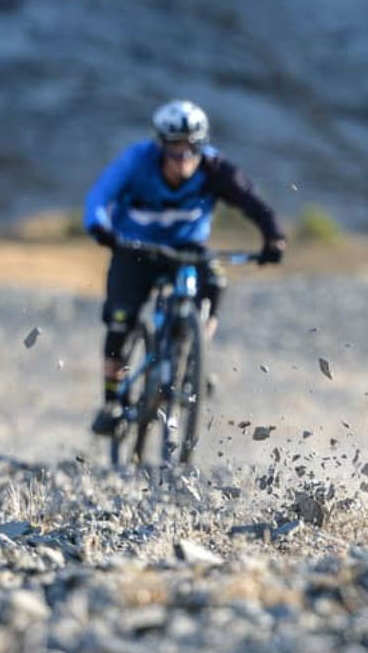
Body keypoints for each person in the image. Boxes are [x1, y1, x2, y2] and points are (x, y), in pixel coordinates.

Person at [83, 99, 287, 435]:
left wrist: (274, 238)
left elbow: (254, 203)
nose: (184, 160)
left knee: (215, 285)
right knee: (120, 321)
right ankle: (112, 401)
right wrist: (100, 228)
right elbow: (100, 196)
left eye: (191, 150)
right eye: (175, 151)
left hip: (188, 247)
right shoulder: (136, 162)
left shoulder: (216, 169)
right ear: (160, 147)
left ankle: (196, 355)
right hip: (135, 247)